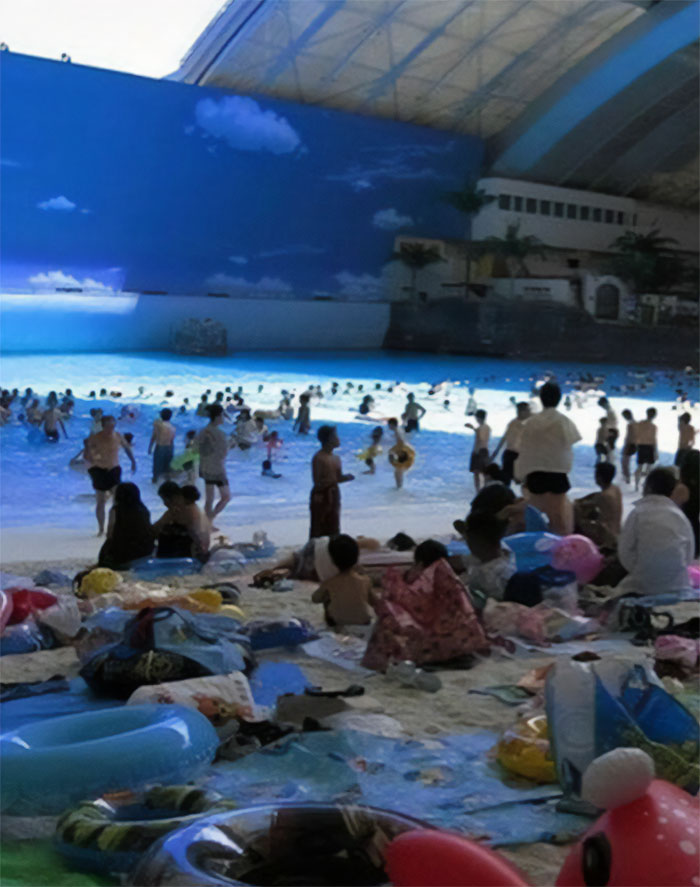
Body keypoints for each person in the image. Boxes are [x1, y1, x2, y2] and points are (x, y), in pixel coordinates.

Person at [514, 382, 581, 535]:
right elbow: (572, 441)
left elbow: (523, 448)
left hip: (535, 474)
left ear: (541, 398)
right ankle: (558, 553)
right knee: (558, 520)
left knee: (535, 518)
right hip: (558, 474)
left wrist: (519, 473)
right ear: (559, 399)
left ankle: (537, 552)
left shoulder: (531, 423)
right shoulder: (564, 421)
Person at [617, 467, 694, 598]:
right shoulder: (679, 516)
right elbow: (689, 553)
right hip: (678, 585)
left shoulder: (638, 513)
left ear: (648, 487)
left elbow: (624, 552)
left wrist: (641, 569)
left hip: (643, 585)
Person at [85, 415, 137, 536]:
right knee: (101, 501)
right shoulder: (95, 438)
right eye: (108, 426)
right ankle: (101, 529)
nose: (110, 428)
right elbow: (87, 455)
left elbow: (127, 448)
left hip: (114, 469)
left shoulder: (118, 436)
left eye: (112, 426)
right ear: (103, 426)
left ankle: (111, 527)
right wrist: (94, 458)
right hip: (99, 470)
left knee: (117, 500)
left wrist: (133, 461)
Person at [311, 534, 377, 628]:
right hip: (363, 624)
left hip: (338, 624)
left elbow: (315, 599)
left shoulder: (330, 583)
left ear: (332, 561)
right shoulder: (365, 581)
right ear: (357, 557)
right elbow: (375, 602)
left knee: (328, 598)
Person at [457, 511, 516, 602]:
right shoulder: (503, 552)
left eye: (466, 538)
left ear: (473, 540)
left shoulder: (491, 576)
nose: (466, 541)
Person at [309, 425, 354, 538]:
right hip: (322, 495)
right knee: (319, 526)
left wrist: (347, 478)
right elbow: (317, 481)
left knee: (334, 524)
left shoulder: (336, 458)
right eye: (335, 436)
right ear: (328, 439)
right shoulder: (319, 457)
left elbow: (338, 478)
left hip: (333, 493)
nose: (338, 439)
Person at [98, 482, 155, 568]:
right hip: (144, 552)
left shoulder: (115, 510)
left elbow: (110, 534)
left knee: (108, 545)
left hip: (123, 554)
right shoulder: (144, 510)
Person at [197, 404, 231, 524]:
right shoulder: (220, 434)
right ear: (217, 416)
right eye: (222, 415)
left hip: (205, 467)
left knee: (209, 498)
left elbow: (198, 450)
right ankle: (210, 519)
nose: (223, 418)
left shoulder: (202, 431)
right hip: (217, 469)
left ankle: (208, 522)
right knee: (226, 497)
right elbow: (223, 453)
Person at [575, 462, 623, 546]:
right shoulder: (615, 488)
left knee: (577, 516)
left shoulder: (604, 495)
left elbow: (583, 504)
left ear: (599, 478)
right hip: (617, 529)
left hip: (607, 533)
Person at [491, 401, 530, 486]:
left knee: (523, 481)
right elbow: (504, 437)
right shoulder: (512, 423)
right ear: (521, 411)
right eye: (527, 410)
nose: (529, 412)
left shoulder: (529, 423)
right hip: (510, 455)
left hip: (520, 455)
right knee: (506, 481)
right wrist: (496, 452)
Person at [465, 409, 491, 492]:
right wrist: (474, 429)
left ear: (478, 418)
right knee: (484, 473)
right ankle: (483, 490)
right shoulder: (487, 427)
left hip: (479, 451)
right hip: (484, 450)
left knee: (477, 473)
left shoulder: (481, 428)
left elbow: (481, 439)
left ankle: (478, 491)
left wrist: (474, 429)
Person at [148, 408, 176, 484]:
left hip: (160, 447)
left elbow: (153, 436)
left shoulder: (158, 425)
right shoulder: (173, 428)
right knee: (167, 467)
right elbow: (172, 440)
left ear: (161, 415)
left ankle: (154, 481)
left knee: (157, 467)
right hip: (170, 447)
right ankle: (168, 482)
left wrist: (150, 447)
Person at [634, 407, 658, 491]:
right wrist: (655, 451)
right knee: (648, 467)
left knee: (640, 466)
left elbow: (636, 435)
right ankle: (643, 484)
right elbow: (654, 439)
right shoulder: (653, 426)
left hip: (641, 446)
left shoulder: (640, 424)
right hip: (649, 446)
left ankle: (637, 485)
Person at [387, 417, 414, 489]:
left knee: (398, 471)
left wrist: (395, 452)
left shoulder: (397, 431)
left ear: (392, 424)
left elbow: (401, 442)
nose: (388, 426)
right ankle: (399, 487)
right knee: (398, 471)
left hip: (404, 452)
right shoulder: (399, 429)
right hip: (408, 450)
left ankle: (399, 488)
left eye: (388, 425)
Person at [620, 409, 637, 484]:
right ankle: (627, 477)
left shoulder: (631, 424)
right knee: (625, 462)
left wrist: (626, 445)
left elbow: (629, 436)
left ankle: (627, 477)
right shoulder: (634, 423)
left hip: (630, 444)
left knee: (625, 462)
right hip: (632, 444)